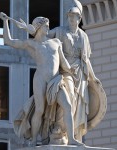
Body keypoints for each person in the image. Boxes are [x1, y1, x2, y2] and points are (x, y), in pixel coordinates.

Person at [0, 13, 82, 146]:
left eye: (48, 26)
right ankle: (33, 141)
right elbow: (9, 41)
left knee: (68, 105)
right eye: (46, 26)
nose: (48, 29)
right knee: (40, 110)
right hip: (41, 79)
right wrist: (4, 22)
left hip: (56, 80)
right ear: (38, 28)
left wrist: (73, 71)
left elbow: (64, 63)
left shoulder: (55, 42)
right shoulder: (31, 44)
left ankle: (71, 139)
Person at [48, 0, 104, 142]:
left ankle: (68, 132)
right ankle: (59, 127)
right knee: (69, 97)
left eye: (75, 16)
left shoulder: (83, 37)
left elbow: (85, 60)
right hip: (66, 72)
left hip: (80, 75)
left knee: (77, 104)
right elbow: (43, 35)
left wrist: (93, 77)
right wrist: (31, 29)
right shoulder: (60, 31)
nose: (72, 18)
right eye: (70, 16)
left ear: (79, 18)